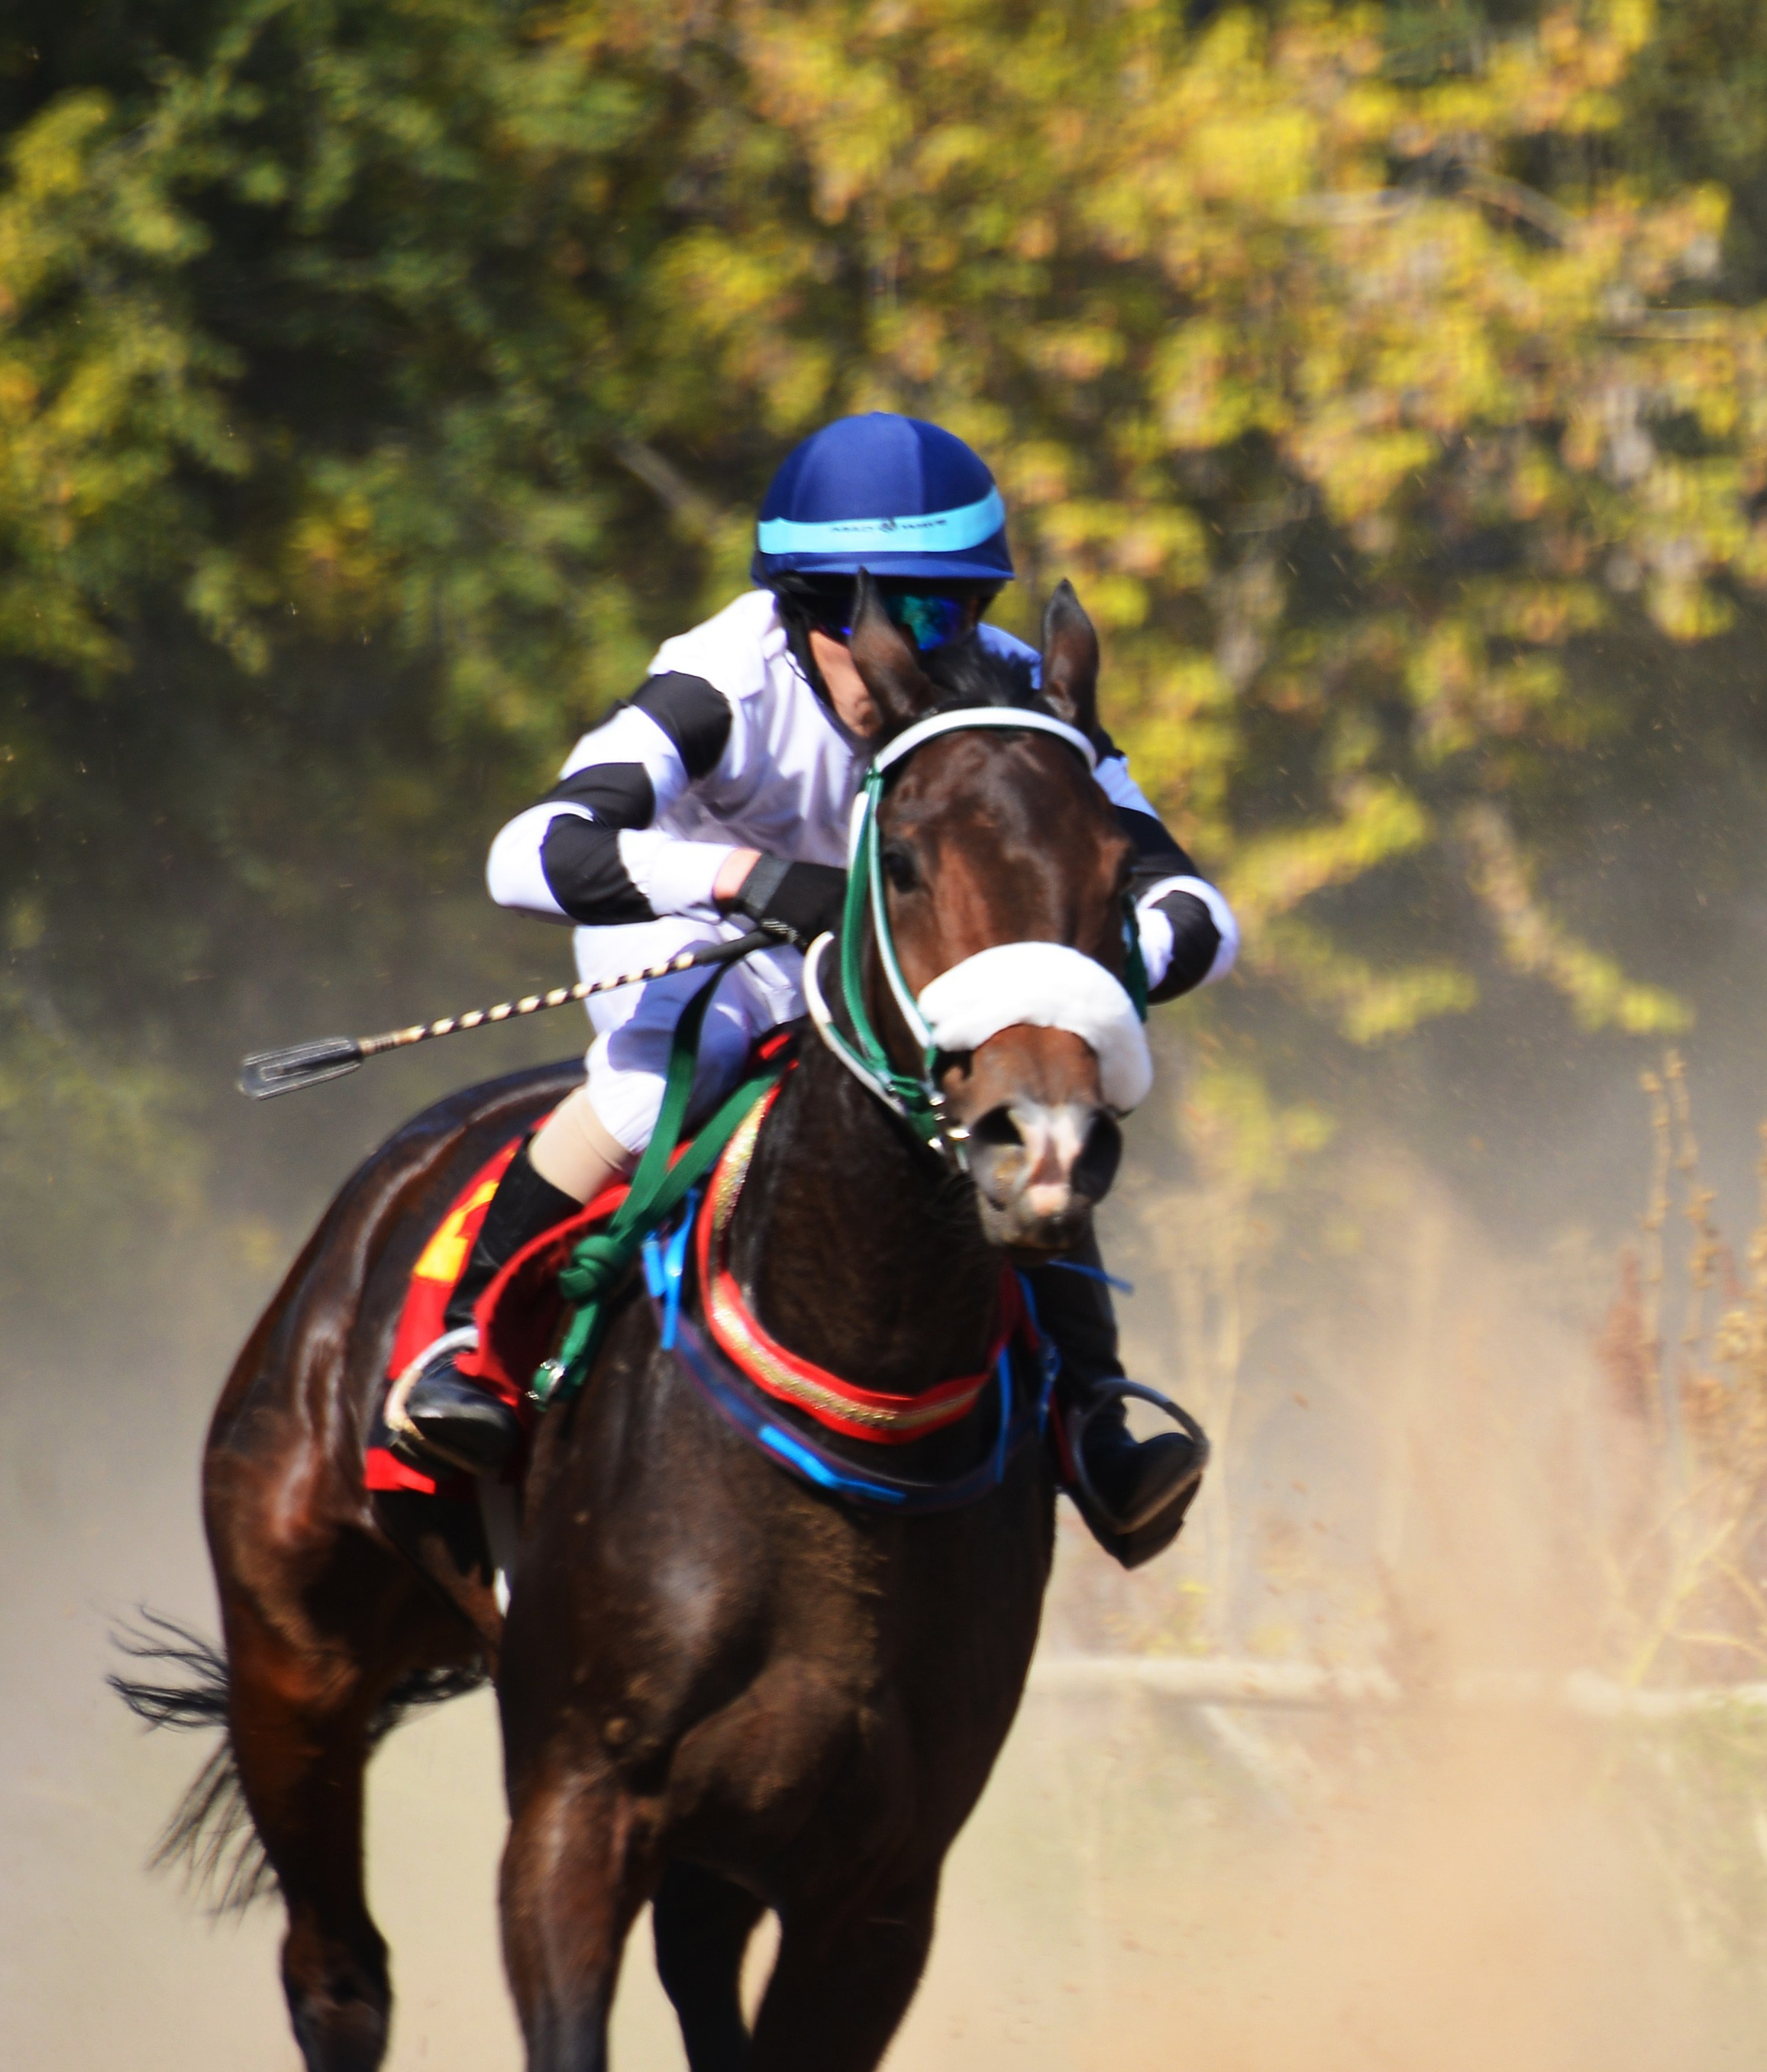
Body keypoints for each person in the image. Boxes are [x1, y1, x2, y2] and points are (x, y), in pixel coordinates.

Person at [392, 412, 1239, 1562]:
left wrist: (1084, 972)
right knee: (658, 1093)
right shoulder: (719, 681)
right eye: (870, 614)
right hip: (709, 935)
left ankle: (1093, 1412)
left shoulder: (1015, 695)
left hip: (898, 960)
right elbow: (528, 854)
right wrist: (751, 881)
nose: (908, 650)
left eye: (943, 613)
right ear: (797, 604)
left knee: (1023, 1107)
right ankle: (468, 1349)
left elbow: (1197, 910)